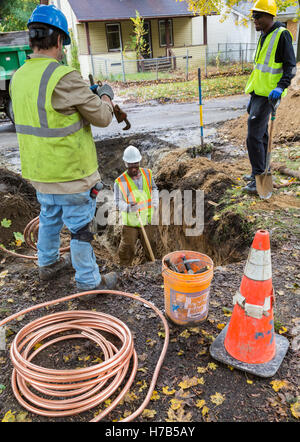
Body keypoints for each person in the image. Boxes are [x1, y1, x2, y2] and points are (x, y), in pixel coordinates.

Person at [10, 4, 117, 293]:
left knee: (49, 219)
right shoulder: (64, 76)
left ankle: (47, 265)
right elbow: (103, 117)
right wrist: (105, 96)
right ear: (58, 40)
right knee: (82, 228)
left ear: (32, 39)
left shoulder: (18, 78)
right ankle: (88, 282)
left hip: (40, 174)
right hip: (72, 175)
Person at [243, 0, 296, 194]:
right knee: (261, 135)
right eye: (253, 16)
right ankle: (260, 171)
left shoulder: (282, 35)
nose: (254, 20)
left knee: (253, 136)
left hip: (269, 95)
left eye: (257, 16)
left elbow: (290, 67)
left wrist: (281, 88)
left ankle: (258, 178)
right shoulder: (264, 35)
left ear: (269, 15)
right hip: (257, 92)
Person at [114, 145, 159, 265]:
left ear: (139, 161)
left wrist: (155, 203)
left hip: (147, 219)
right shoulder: (120, 181)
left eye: (136, 163)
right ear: (125, 164)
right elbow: (117, 202)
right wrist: (128, 207)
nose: (134, 167)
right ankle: (124, 269)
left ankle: (151, 267)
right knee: (127, 249)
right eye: (130, 164)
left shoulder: (148, 174)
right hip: (131, 222)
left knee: (151, 246)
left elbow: (154, 189)